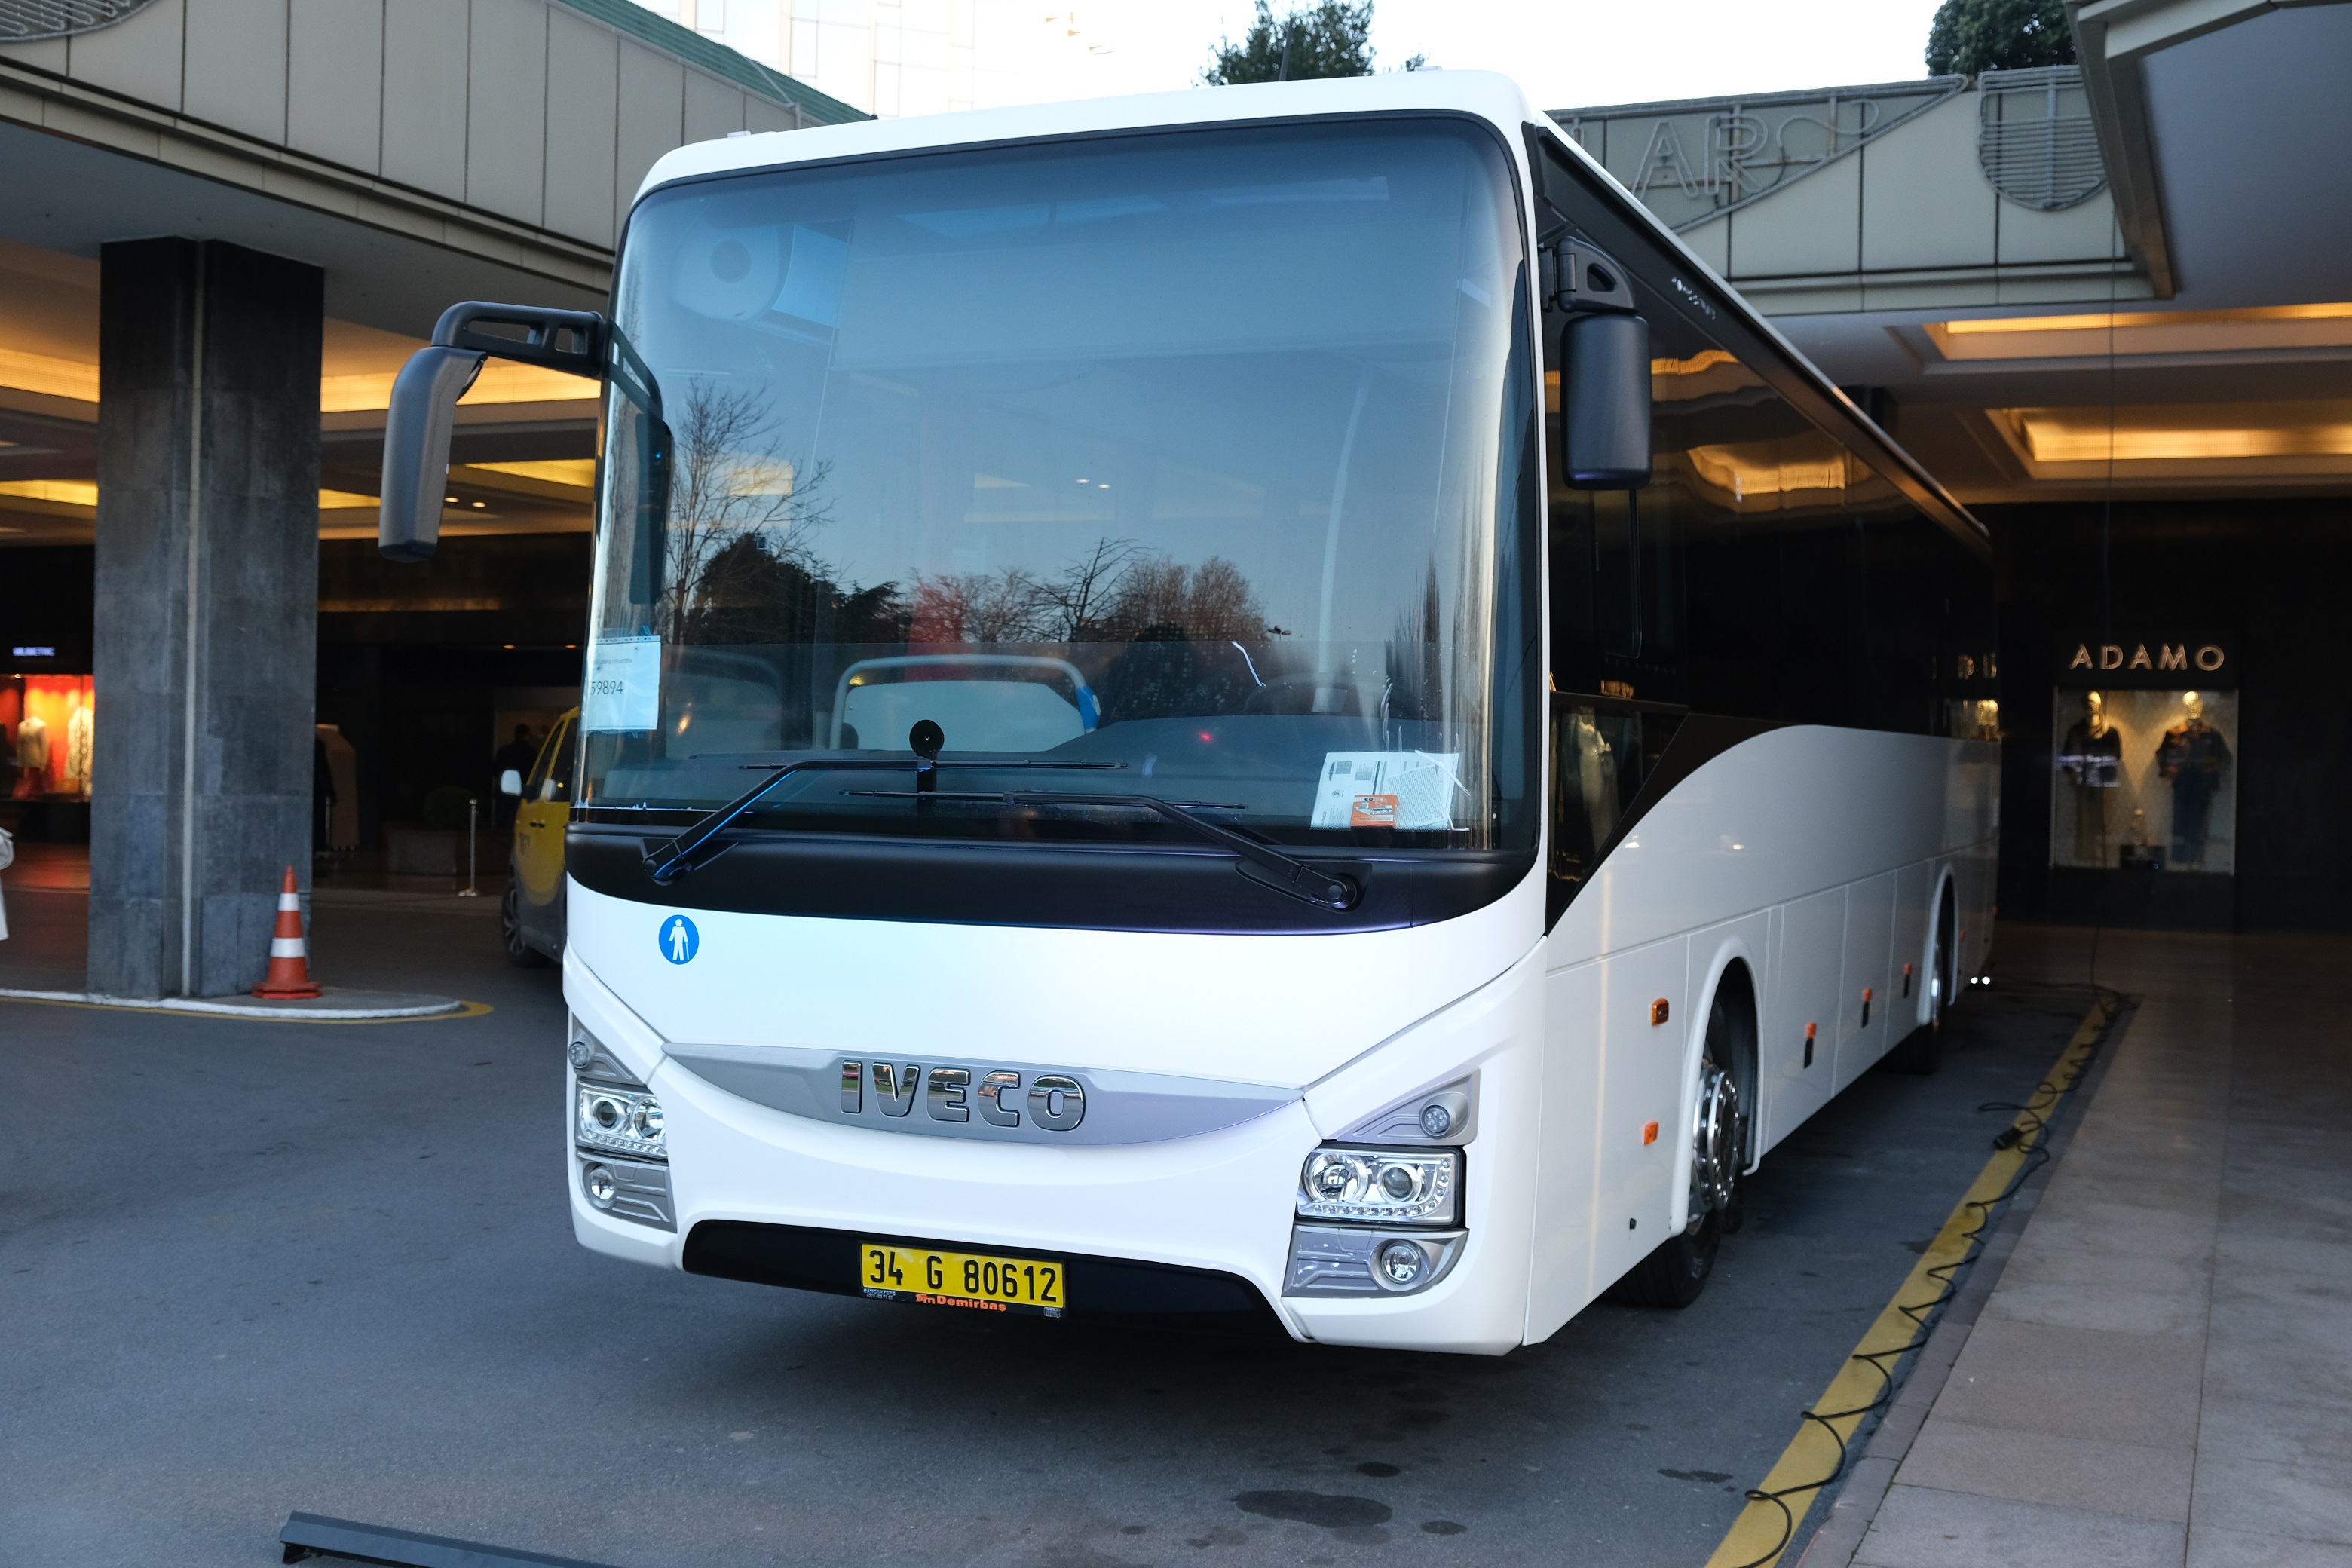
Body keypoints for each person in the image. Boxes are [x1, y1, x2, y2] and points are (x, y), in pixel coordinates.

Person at [491, 724, 540, 828]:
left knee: (501, 824)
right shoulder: (531, 753)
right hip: (523, 791)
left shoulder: (504, 751)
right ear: (526, 735)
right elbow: (535, 773)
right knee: (520, 823)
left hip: (504, 792)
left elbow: (495, 771)